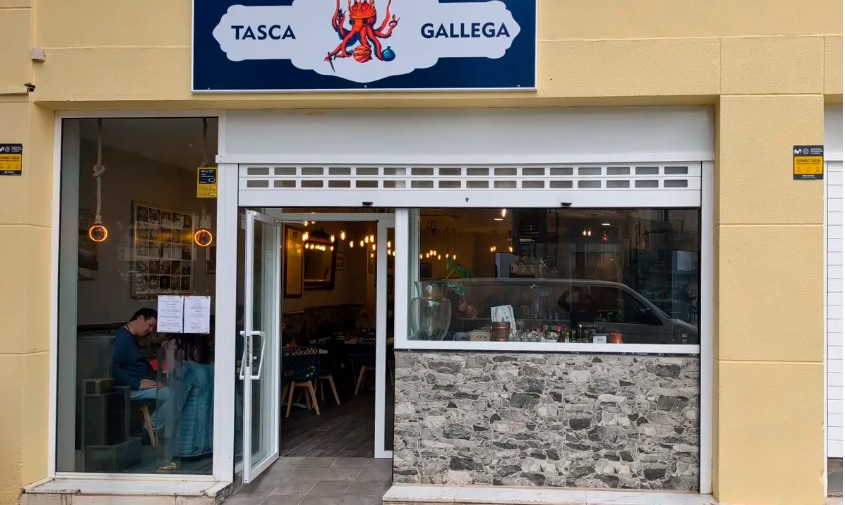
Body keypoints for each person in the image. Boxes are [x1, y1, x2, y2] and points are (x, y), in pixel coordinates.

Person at [112, 308, 170, 442]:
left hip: (141, 384)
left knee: (175, 391)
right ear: (140, 319)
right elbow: (114, 368)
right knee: (172, 394)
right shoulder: (122, 338)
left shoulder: (131, 338)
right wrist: (137, 384)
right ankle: (149, 428)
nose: (150, 330)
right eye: (150, 325)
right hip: (131, 388)